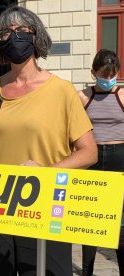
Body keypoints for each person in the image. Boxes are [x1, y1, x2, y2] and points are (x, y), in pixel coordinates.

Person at [0, 6, 97, 276]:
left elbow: (88, 153)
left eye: (22, 31)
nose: (14, 37)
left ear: (36, 37)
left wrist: (45, 172)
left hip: (45, 205)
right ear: (0, 41)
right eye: (7, 32)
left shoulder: (62, 90)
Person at [78, 49, 124, 276]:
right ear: (93, 72)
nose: (108, 79)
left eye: (112, 75)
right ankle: (87, 270)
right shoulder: (83, 96)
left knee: (120, 223)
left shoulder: (123, 95)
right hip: (93, 159)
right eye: (103, 75)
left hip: (120, 158)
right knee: (91, 220)